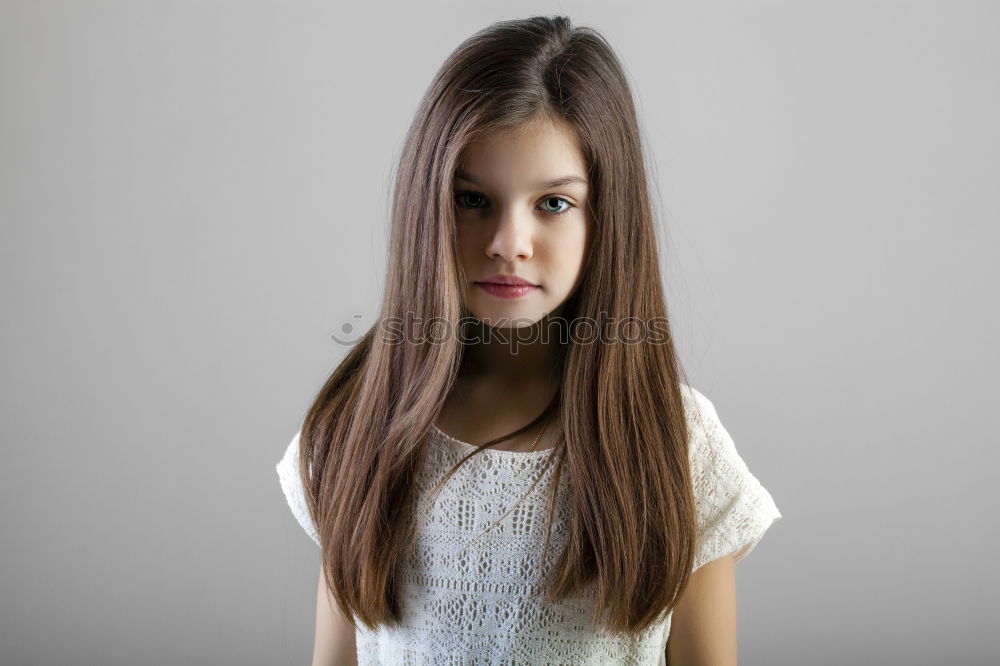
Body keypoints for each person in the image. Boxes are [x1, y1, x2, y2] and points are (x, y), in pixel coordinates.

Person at [275, 15, 782, 666]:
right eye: (471, 199)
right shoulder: (357, 428)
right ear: (426, 204)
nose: (507, 242)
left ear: (608, 215)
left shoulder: (675, 444)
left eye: (553, 203)